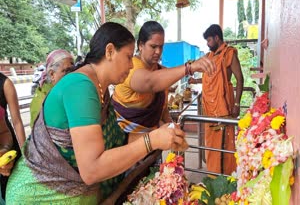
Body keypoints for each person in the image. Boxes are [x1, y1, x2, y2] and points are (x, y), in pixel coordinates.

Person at [6, 22, 187, 204]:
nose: (132, 65)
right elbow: (92, 169)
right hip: (40, 196)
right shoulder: (80, 87)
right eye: (128, 57)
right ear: (109, 51)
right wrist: (152, 140)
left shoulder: (101, 89)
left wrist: (161, 136)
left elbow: (119, 141)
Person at [111, 21, 214, 142]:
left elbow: (162, 109)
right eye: (153, 46)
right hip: (125, 144)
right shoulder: (130, 67)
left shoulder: (161, 72)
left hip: (152, 144)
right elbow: (150, 82)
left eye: (161, 46)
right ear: (141, 45)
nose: (158, 52)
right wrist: (189, 67)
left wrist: (173, 129)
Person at [188, 24, 244, 175]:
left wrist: (237, 103)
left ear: (217, 38)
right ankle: (213, 176)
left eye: (209, 40)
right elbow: (210, 77)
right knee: (212, 143)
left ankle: (227, 178)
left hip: (224, 108)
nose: (207, 43)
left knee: (225, 146)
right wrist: (196, 81)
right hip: (209, 110)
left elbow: (240, 79)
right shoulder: (209, 57)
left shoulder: (229, 54)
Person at [29, 49, 74, 128]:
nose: (71, 75)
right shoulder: (44, 97)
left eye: (72, 70)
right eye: (66, 71)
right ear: (52, 74)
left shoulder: (65, 91)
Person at [0, 72, 25, 200]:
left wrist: (25, 152)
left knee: (8, 185)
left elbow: (17, 122)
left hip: (5, 143)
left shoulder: (5, 83)